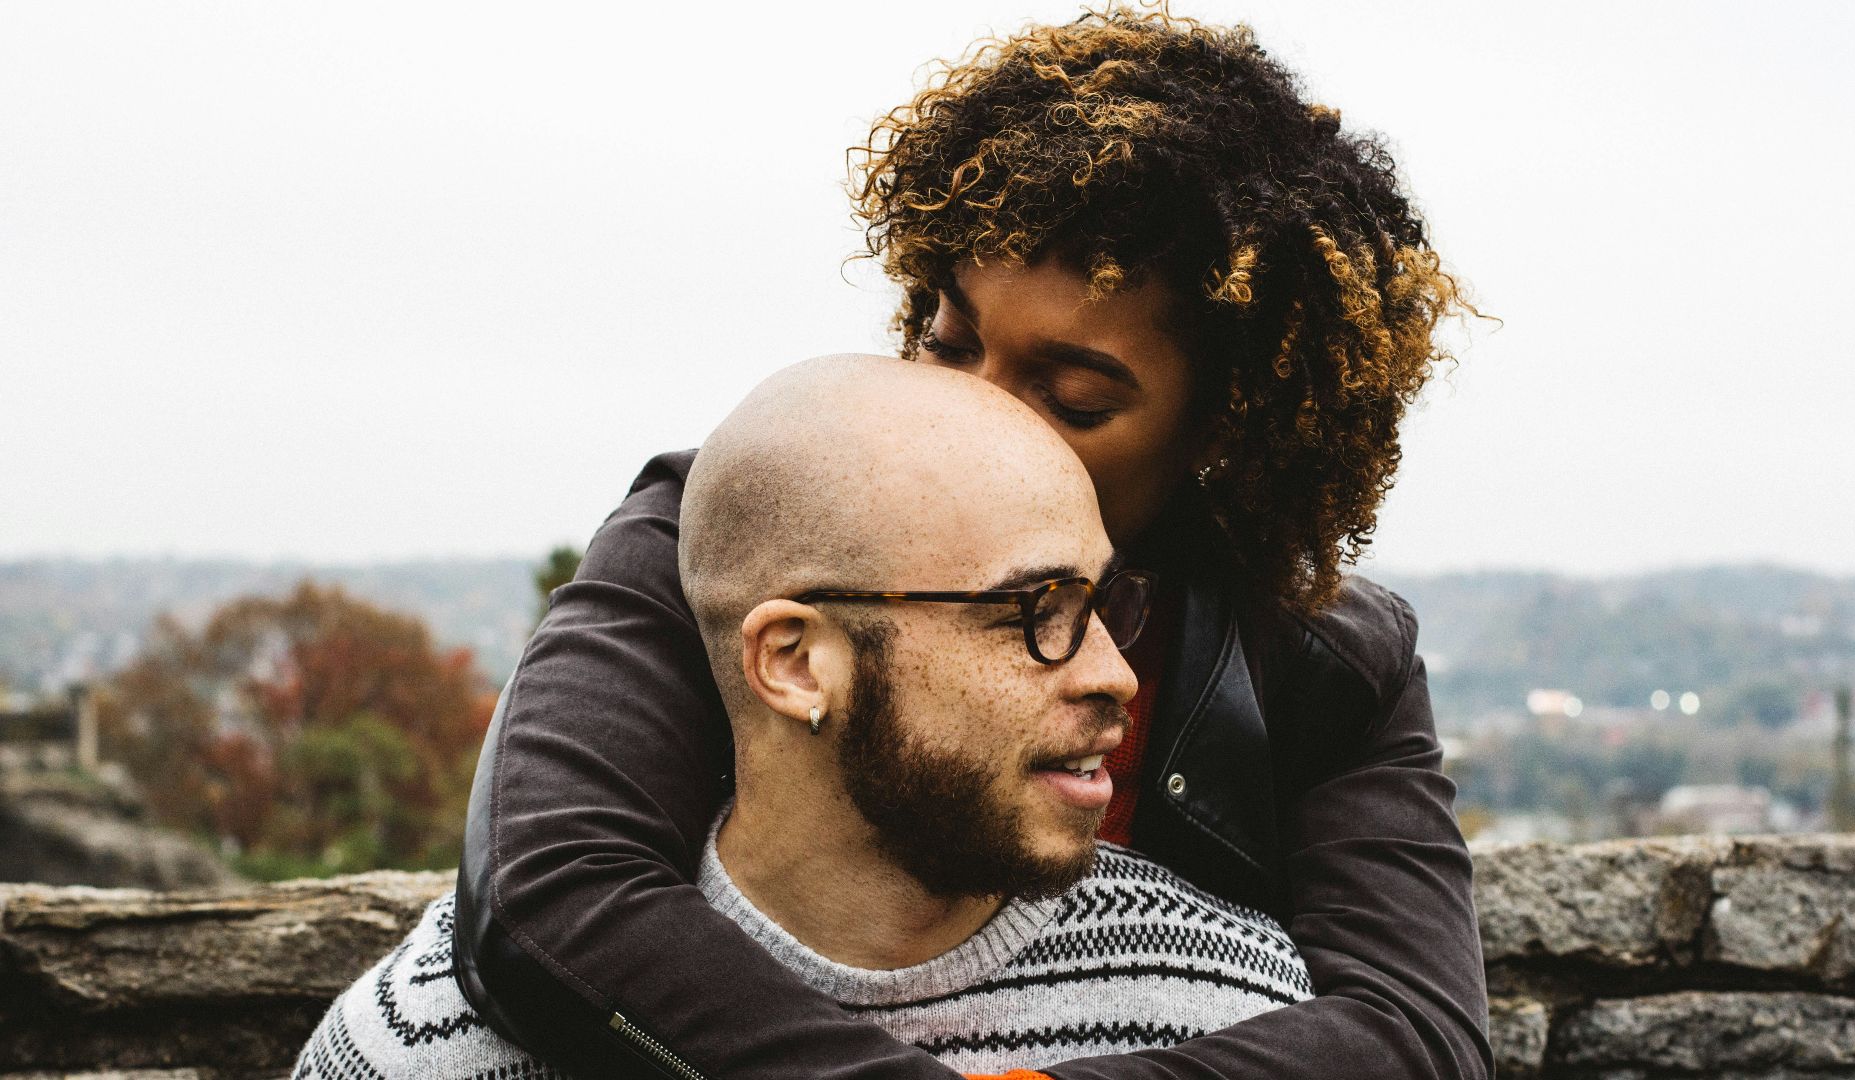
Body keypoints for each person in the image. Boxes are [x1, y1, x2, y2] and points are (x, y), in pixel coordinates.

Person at [455, 8, 1490, 1080]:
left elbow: (1415, 1035)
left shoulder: (1327, 662)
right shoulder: (729, 532)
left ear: (1221, 431)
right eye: (949, 344)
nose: (977, 409)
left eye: (1072, 396)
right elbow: (546, 902)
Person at [295, 357, 1316, 1080]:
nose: (1114, 674)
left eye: (1105, 603)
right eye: (1034, 611)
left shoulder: (1225, 1005)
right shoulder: (429, 1045)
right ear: (793, 662)